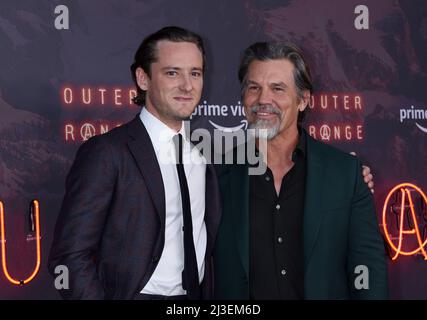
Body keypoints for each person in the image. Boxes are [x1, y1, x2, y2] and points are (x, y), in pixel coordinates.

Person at [48, 26, 221, 300]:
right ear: (143, 78)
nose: (187, 86)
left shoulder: (203, 157)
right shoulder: (107, 153)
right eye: (172, 72)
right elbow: (69, 256)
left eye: (195, 73)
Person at [213, 42, 388, 299]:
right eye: (254, 88)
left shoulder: (345, 174)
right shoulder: (215, 175)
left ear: (303, 100)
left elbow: (368, 270)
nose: (263, 100)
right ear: (242, 99)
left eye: (278, 89)